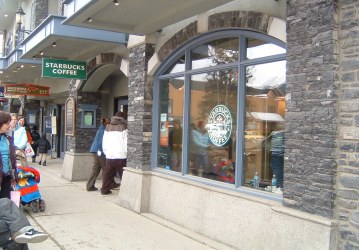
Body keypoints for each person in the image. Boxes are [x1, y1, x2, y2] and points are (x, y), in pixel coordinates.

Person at [101, 112, 127, 195]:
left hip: (110, 155)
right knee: (124, 176)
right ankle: (126, 193)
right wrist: (126, 153)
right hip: (121, 156)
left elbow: (104, 142)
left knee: (107, 175)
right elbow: (126, 143)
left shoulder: (107, 127)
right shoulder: (124, 127)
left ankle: (105, 190)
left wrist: (106, 153)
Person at [86, 118, 109, 192]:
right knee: (106, 169)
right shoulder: (103, 131)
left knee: (96, 169)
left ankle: (90, 186)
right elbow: (101, 143)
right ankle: (106, 187)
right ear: (105, 123)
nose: (110, 124)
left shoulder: (101, 129)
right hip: (99, 152)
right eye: (109, 122)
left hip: (95, 151)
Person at [0, 111, 18, 199]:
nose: (9, 125)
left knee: (5, 205)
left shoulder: (7, 139)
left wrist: (13, 176)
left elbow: (12, 159)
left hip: (6, 177)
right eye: (7, 123)